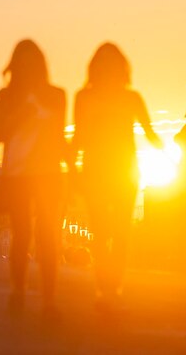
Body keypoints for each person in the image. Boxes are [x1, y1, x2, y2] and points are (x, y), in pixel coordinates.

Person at [70, 42, 162, 313]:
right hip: (99, 171)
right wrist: (72, 169)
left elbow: (150, 132)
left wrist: (178, 154)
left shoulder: (130, 98)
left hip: (122, 171)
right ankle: (104, 287)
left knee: (119, 231)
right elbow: (79, 138)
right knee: (102, 232)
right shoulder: (85, 98)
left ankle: (112, 287)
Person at [0, 39, 66, 318]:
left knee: (49, 235)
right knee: (22, 234)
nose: (27, 70)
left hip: (48, 173)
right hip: (17, 174)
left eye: (32, 64)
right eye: (22, 64)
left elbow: (59, 137)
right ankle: (18, 291)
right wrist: (20, 115)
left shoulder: (56, 95)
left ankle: (49, 300)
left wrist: (72, 169)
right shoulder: (6, 96)